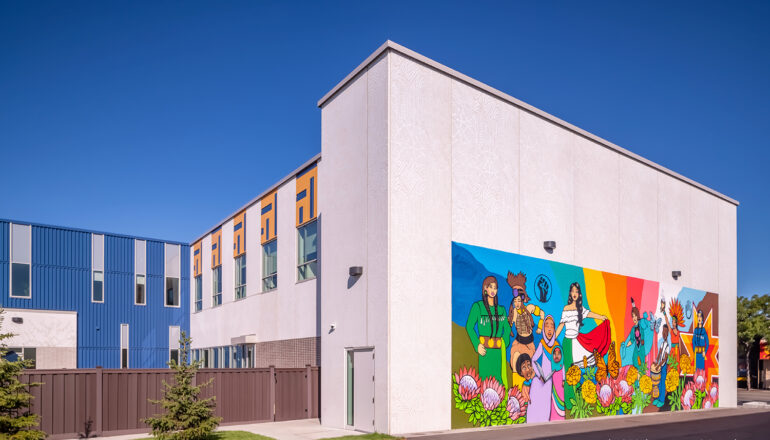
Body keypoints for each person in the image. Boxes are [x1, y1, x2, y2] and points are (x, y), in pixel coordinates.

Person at [465, 275, 511, 387]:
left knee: (499, 382)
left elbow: (507, 328)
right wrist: (477, 345)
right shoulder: (478, 307)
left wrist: (504, 343)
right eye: (490, 287)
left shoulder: (501, 310)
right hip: (485, 351)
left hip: (498, 352)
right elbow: (469, 326)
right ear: (485, 288)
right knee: (485, 381)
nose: (493, 290)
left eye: (495, 288)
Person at [554, 282, 610, 368]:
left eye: (576, 291)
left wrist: (601, 317)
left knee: (575, 367)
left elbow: (589, 314)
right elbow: (561, 325)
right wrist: (553, 339)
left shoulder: (580, 309)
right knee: (568, 366)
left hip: (577, 341)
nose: (574, 293)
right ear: (570, 293)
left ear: (579, 294)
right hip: (567, 341)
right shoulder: (566, 308)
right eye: (573, 291)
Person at [507, 272, 544, 377]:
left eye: (519, 300)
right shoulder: (513, 313)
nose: (517, 303)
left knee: (529, 370)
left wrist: (540, 327)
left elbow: (542, 313)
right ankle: (515, 391)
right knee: (515, 363)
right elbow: (507, 325)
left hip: (529, 344)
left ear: (522, 300)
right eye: (515, 301)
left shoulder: (529, 308)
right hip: (518, 342)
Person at [528, 315, 557, 423]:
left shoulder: (556, 346)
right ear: (543, 328)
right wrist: (539, 375)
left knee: (546, 403)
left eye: (551, 326)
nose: (549, 329)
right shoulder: (542, 344)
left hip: (551, 380)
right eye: (546, 325)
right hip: (542, 379)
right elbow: (534, 360)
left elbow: (560, 364)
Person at [621, 298, 654, 370]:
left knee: (642, 363)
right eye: (632, 316)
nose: (634, 318)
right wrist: (627, 345)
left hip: (641, 348)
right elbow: (632, 339)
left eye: (635, 316)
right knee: (634, 360)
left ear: (637, 316)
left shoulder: (641, 324)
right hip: (636, 348)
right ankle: (636, 377)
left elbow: (645, 326)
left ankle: (641, 376)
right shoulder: (633, 329)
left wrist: (644, 318)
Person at [651, 325, 671, 407]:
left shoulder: (667, 346)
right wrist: (656, 362)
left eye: (665, 332)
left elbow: (665, 359)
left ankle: (662, 400)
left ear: (667, 333)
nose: (664, 333)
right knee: (658, 383)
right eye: (663, 332)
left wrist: (659, 364)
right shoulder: (662, 344)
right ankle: (658, 398)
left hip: (663, 367)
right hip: (660, 365)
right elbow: (659, 354)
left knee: (662, 383)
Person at [661, 298, 685, 363]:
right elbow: (667, 322)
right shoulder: (671, 331)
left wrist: (680, 354)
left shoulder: (679, 332)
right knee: (671, 365)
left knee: (677, 366)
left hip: (677, 352)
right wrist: (664, 312)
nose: (672, 323)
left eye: (674, 322)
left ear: (676, 323)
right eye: (672, 321)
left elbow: (680, 344)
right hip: (672, 351)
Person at [550, 346, 565, 421]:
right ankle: (553, 417)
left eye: (559, 354)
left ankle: (562, 417)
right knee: (553, 403)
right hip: (554, 391)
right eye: (554, 354)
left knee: (562, 403)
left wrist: (564, 380)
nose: (556, 356)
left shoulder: (563, 366)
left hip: (561, 390)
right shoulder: (551, 366)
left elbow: (564, 376)